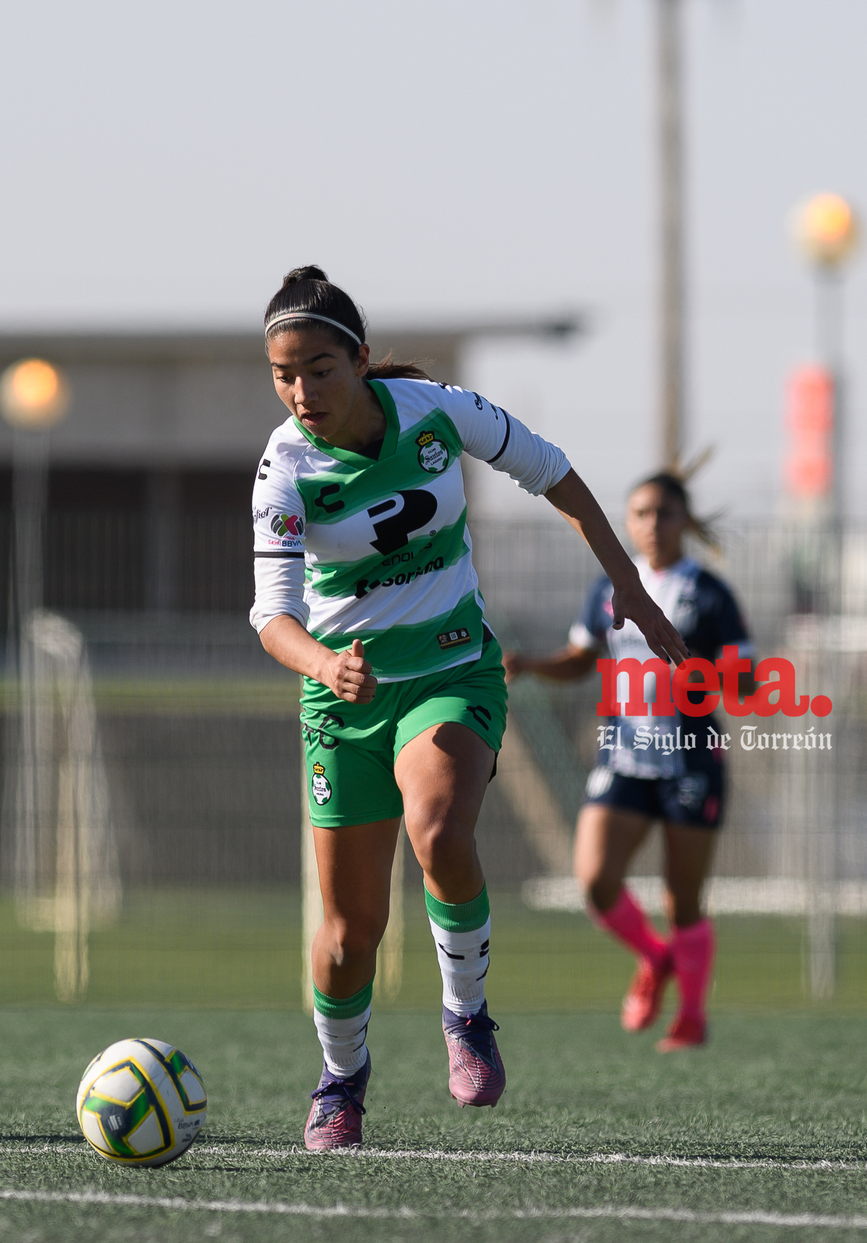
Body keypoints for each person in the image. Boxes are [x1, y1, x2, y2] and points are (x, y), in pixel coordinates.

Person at [249, 267, 688, 1150]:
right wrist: (326, 666)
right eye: (285, 375)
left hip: (452, 665)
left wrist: (627, 584)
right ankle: (341, 1080)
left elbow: (555, 476)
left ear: (362, 361)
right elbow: (272, 616)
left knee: (440, 830)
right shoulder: (284, 467)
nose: (304, 392)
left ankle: (468, 1015)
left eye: (321, 370)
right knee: (348, 934)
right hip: (345, 697)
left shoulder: (441, 413)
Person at [505, 473, 752, 1052]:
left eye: (664, 513)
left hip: (690, 760)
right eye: (640, 512)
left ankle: (691, 1017)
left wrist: (704, 674)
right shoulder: (610, 588)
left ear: (685, 522)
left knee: (682, 898)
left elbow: (747, 679)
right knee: (594, 880)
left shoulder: (710, 594)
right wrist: (534, 663)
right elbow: (580, 658)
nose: (650, 523)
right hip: (623, 756)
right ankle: (655, 957)